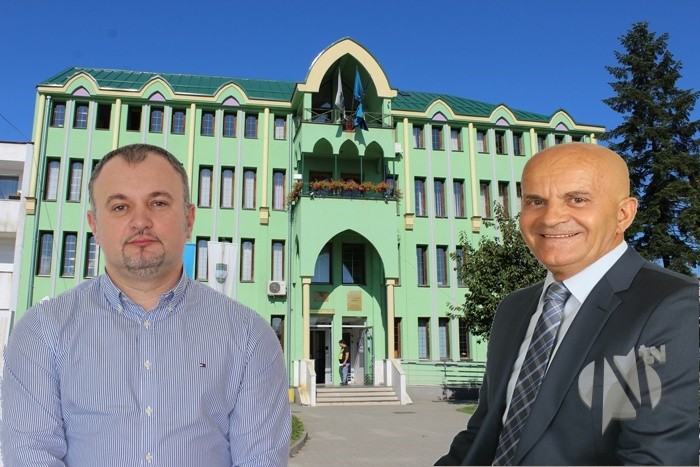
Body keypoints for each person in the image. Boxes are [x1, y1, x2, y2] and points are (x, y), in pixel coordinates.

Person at [1, 144, 291, 466]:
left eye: (158, 203)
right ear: (95, 226)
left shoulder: (249, 336)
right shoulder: (42, 332)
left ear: (189, 219)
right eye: (120, 207)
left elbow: (260, 460)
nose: (140, 221)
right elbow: (31, 455)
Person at [436, 142, 698, 465]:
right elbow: (483, 434)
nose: (551, 218)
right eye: (535, 201)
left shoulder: (669, 304)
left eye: (577, 199)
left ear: (624, 214)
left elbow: (656, 458)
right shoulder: (513, 309)